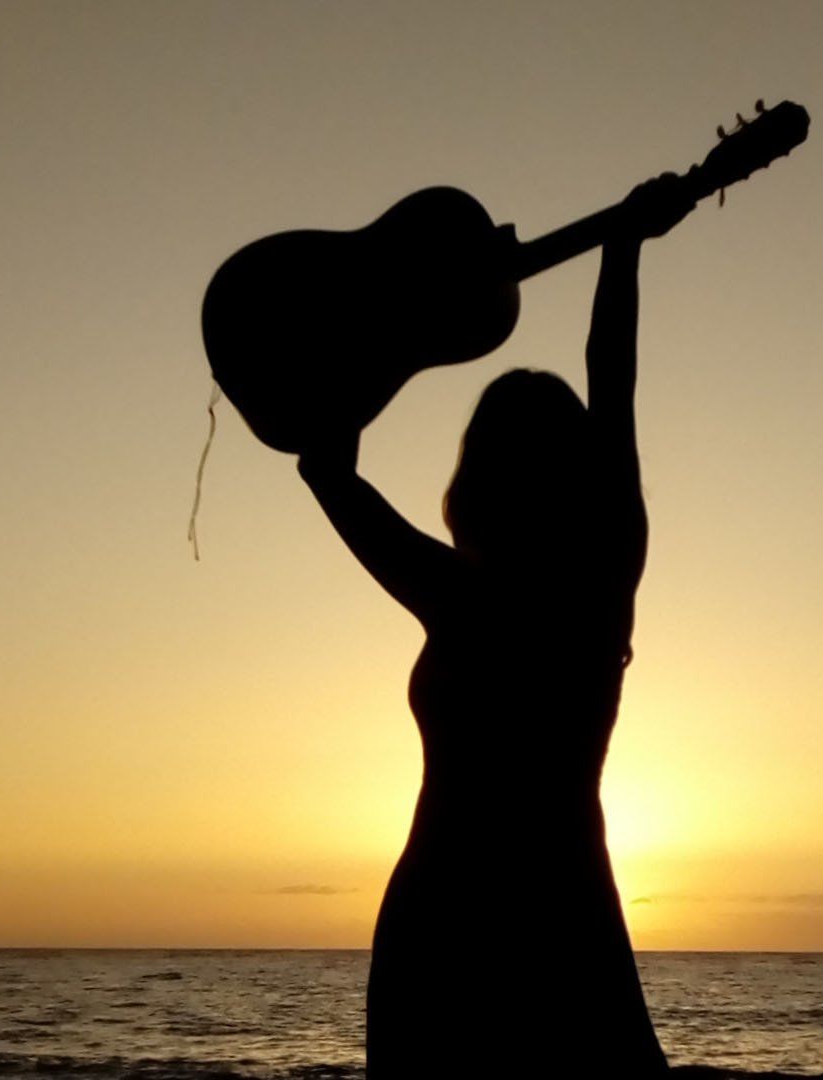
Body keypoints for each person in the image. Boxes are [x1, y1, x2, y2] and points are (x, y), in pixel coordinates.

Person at [295, 176, 694, 1078]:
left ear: (477, 483)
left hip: (457, 918)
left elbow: (329, 474)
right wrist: (623, 246)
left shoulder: (477, 592)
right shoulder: (594, 580)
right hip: (539, 911)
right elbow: (613, 381)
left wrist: (355, 363)